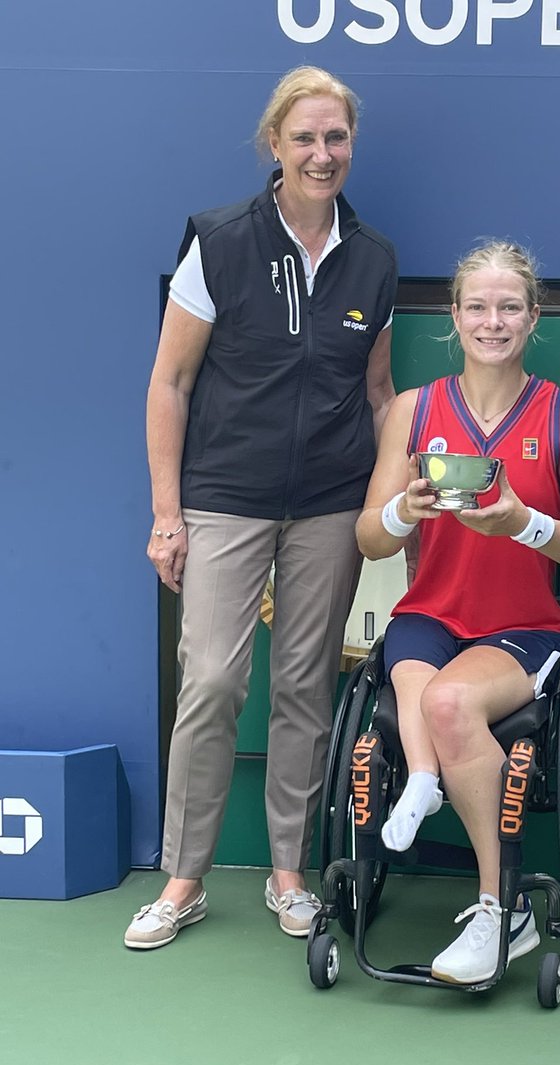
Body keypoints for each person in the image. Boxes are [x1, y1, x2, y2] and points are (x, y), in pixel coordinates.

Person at [125, 66, 398, 949]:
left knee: (305, 686)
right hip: (225, 498)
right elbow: (170, 383)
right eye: (305, 137)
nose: (322, 154)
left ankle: (289, 874)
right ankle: (184, 880)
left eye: (336, 137)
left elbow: (379, 393)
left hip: (329, 504)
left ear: (351, 145)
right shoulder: (220, 241)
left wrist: (396, 497)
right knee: (210, 682)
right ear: (274, 144)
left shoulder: (374, 258)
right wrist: (167, 514)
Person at [357, 241, 560, 985]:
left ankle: (503, 908)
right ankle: (423, 781)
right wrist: (404, 511)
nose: (492, 322)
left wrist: (522, 524)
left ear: (533, 317)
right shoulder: (414, 410)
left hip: (523, 627)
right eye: (478, 307)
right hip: (428, 615)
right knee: (417, 675)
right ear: (455, 316)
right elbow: (370, 538)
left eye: (508, 308)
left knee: (446, 702)